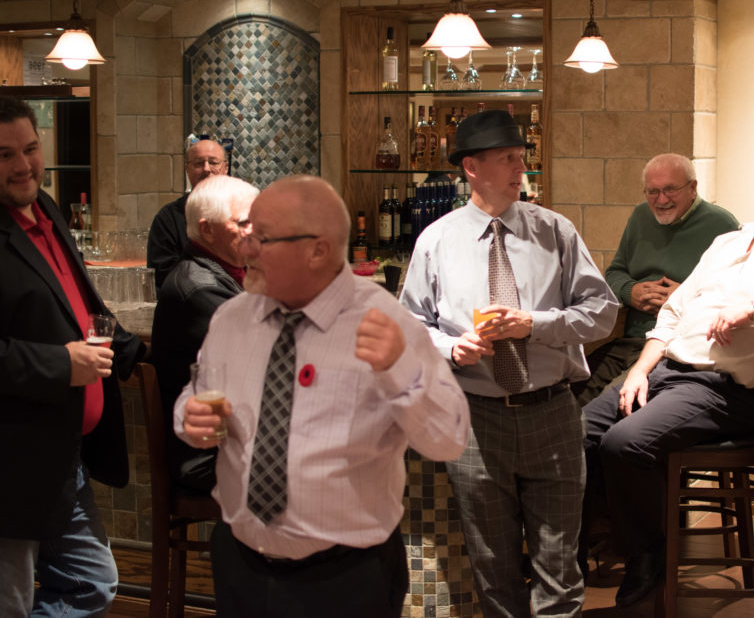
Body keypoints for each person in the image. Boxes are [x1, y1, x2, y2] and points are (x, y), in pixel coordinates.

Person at [175, 175, 469, 618]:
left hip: (345, 579)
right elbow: (196, 394)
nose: (244, 247)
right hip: (239, 564)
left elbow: (449, 439)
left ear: (317, 250)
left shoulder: (385, 322)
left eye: (261, 237)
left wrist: (401, 370)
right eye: (246, 231)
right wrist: (189, 416)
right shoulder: (231, 318)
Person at [400, 110, 619, 618]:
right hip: (476, 418)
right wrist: (451, 349)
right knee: (493, 567)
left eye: (522, 157)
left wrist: (532, 324)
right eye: (508, 159)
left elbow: (602, 312)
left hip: (552, 412)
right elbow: (409, 326)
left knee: (559, 565)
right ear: (472, 168)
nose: (522, 168)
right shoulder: (437, 240)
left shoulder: (555, 231)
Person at [583, 159, 754, 608]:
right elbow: (673, 312)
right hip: (666, 370)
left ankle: (649, 554)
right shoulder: (726, 241)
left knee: (624, 443)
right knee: (577, 434)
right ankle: (575, 556)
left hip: (722, 391)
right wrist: (639, 370)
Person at [0, 96, 146, 616]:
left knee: (92, 583)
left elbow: (78, 303)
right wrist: (62, 365)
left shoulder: (46, 208)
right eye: (4, 155)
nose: (23, 165)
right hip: (12, 463)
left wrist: (139, 351)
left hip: (62, 456)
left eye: (30, 148)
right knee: (11, 602)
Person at [572, 153, 739, 406]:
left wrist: (685, 296)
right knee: (571, 392)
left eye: (670, 189)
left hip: (678, 348)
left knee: (614, 403)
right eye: (652, 191)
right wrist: (630, 291)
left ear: (693, 188)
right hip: (631, 339)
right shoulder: (641, 216)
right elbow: (614, 273)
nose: (661, 200)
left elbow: (733, 296)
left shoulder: (722, 225)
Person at [150, 174, 259, 493]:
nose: (255, 231)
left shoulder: (229, 272)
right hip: (205, 453)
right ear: (207, 229)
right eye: (244, 222)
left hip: (233, 438)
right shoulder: (199, 290)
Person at [147, 138, 228, 287]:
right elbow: (163, 275)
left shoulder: (242, 213)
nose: (206, 169)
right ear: (187, 169)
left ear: (225, 168)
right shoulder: (168, 219)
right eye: (198, 163)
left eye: (213, 162)